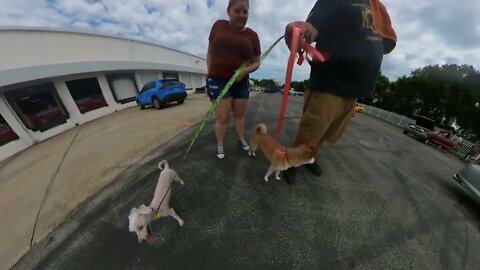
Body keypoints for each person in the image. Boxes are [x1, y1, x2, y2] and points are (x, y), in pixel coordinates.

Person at [283, 0, 397, 184]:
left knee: (328, 131)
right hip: (331, 81)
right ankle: (291, 162)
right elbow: (313, 27)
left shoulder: (375, 5)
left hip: (356, 87)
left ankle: (307, 157)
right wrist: (303, 30)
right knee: (312, 129)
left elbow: (383, 38)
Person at [206, 0, 261, 159]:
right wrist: (210, 71)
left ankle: (241, 138)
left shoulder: (252, 35)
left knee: (239, 115)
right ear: (229, 10)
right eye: (237, 11)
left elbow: (257, 62)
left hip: (241, 82)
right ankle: (220, 144)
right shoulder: (218, 26)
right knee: (222, 117)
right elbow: (210, 52)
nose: (242, 15)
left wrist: (245, 71)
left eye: (245, 12)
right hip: (218, 80)